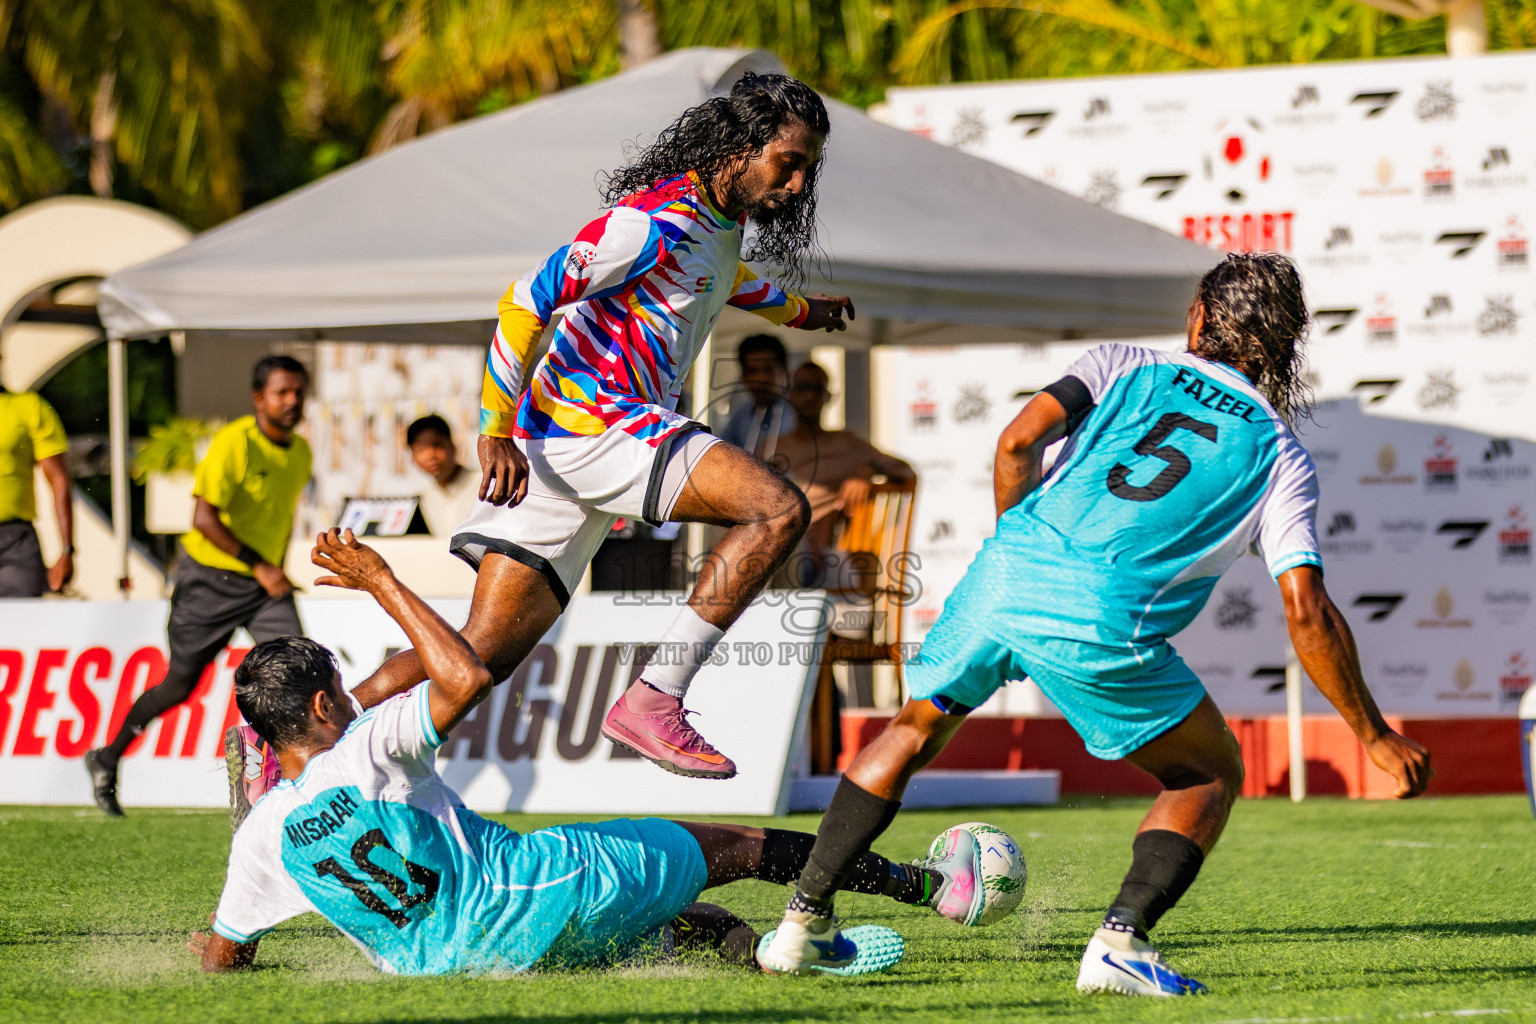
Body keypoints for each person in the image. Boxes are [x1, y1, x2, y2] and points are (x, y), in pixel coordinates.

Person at [757, 252, 1434, 992]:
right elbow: (1306, 607)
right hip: (1102, 621)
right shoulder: (1280, 455)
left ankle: (800, 924)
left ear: (1199, 318)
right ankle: (1120, 943)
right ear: (1284, 346)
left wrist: (1017, 550)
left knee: (911, 729)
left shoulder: (1121, 363)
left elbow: (1017, 442)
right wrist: (1374, 734)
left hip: (1004, 578)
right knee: (1206, 773)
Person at [355, 72, 855, 782]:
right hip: (595, 424)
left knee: (479, 654)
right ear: (741, 147)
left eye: (809, 168)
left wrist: (802, 312)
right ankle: (656, 697)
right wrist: (492, 426)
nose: (799, 184)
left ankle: (309, 728)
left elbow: (725, 277)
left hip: (556, 451)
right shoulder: (653, 222)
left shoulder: (715, 221)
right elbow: (526, 298)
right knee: (777, 510)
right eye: (789, 163)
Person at [189, 529, 956, 977]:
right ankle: (926, 887)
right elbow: (465, 675)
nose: (353, 697)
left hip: (473, 965)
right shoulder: (367, 748)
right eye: (340, 688)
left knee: (687, 917)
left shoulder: (264, 836)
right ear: (323, 708)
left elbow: (225, 955)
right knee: (734, 845)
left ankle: (762, 955)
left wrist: (218, 950)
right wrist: (380, 579)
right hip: (543, 891)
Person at [86, 355, 313, 818]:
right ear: (258, 398)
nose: (292, 400)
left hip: (262, 585)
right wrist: (262, 566)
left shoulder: (301, 452)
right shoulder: (235, 443)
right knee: (179, 685)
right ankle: (106, 758)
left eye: (298, 392)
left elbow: (280, 517)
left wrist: (276, 569)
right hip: (210, 581)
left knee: (299, 671)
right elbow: (203, 518)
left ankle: (292, 784)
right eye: (282, 392)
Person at [771, 361, 915, 586]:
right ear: (789, 394)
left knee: (782, 545)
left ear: (828, 397)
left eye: (817, 389)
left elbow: (905, 470)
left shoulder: (847, 444)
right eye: (802, 388)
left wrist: (868, 470)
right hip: (769, 538)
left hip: (810, 554)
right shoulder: (771, 446)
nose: (809, 395)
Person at [0, 383, 73, 597]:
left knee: (22, 616)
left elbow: (58, 479)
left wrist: (67, 549)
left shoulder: (29, 407)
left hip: (15, 542)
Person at [719, 333, 796, 459]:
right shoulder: (741, 417)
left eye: (768, 369)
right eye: (752, 371)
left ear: (785, 371)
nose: (761, 379)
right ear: (743, 377)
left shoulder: (799, 414)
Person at [406, 414, 477, 536]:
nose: (430, 455)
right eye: (420, 449)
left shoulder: (484, 485)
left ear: (452, 446)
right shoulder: (426, 498)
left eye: (437, 445)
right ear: (413, 457)